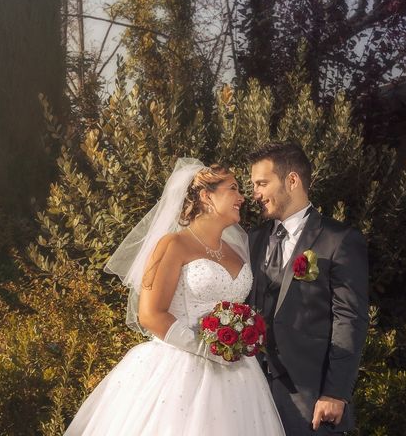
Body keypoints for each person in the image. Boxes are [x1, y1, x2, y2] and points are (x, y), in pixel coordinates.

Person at [65, 158, 285, 435]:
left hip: (239, 375)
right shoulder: (173, 244)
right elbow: (150, 314)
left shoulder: (239, 252)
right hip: (179, 368)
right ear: (207, 196)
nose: (242, 197)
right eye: (233, 189)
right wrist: (206, 349)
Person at [247, 142, 369, 435]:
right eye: (253, 185)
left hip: (310, 397)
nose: (255, 194)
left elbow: (349, 320)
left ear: (292, 180)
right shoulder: (252, 239)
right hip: (250, 389)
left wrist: (336, 392)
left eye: (262, 183)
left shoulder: (338, 239)